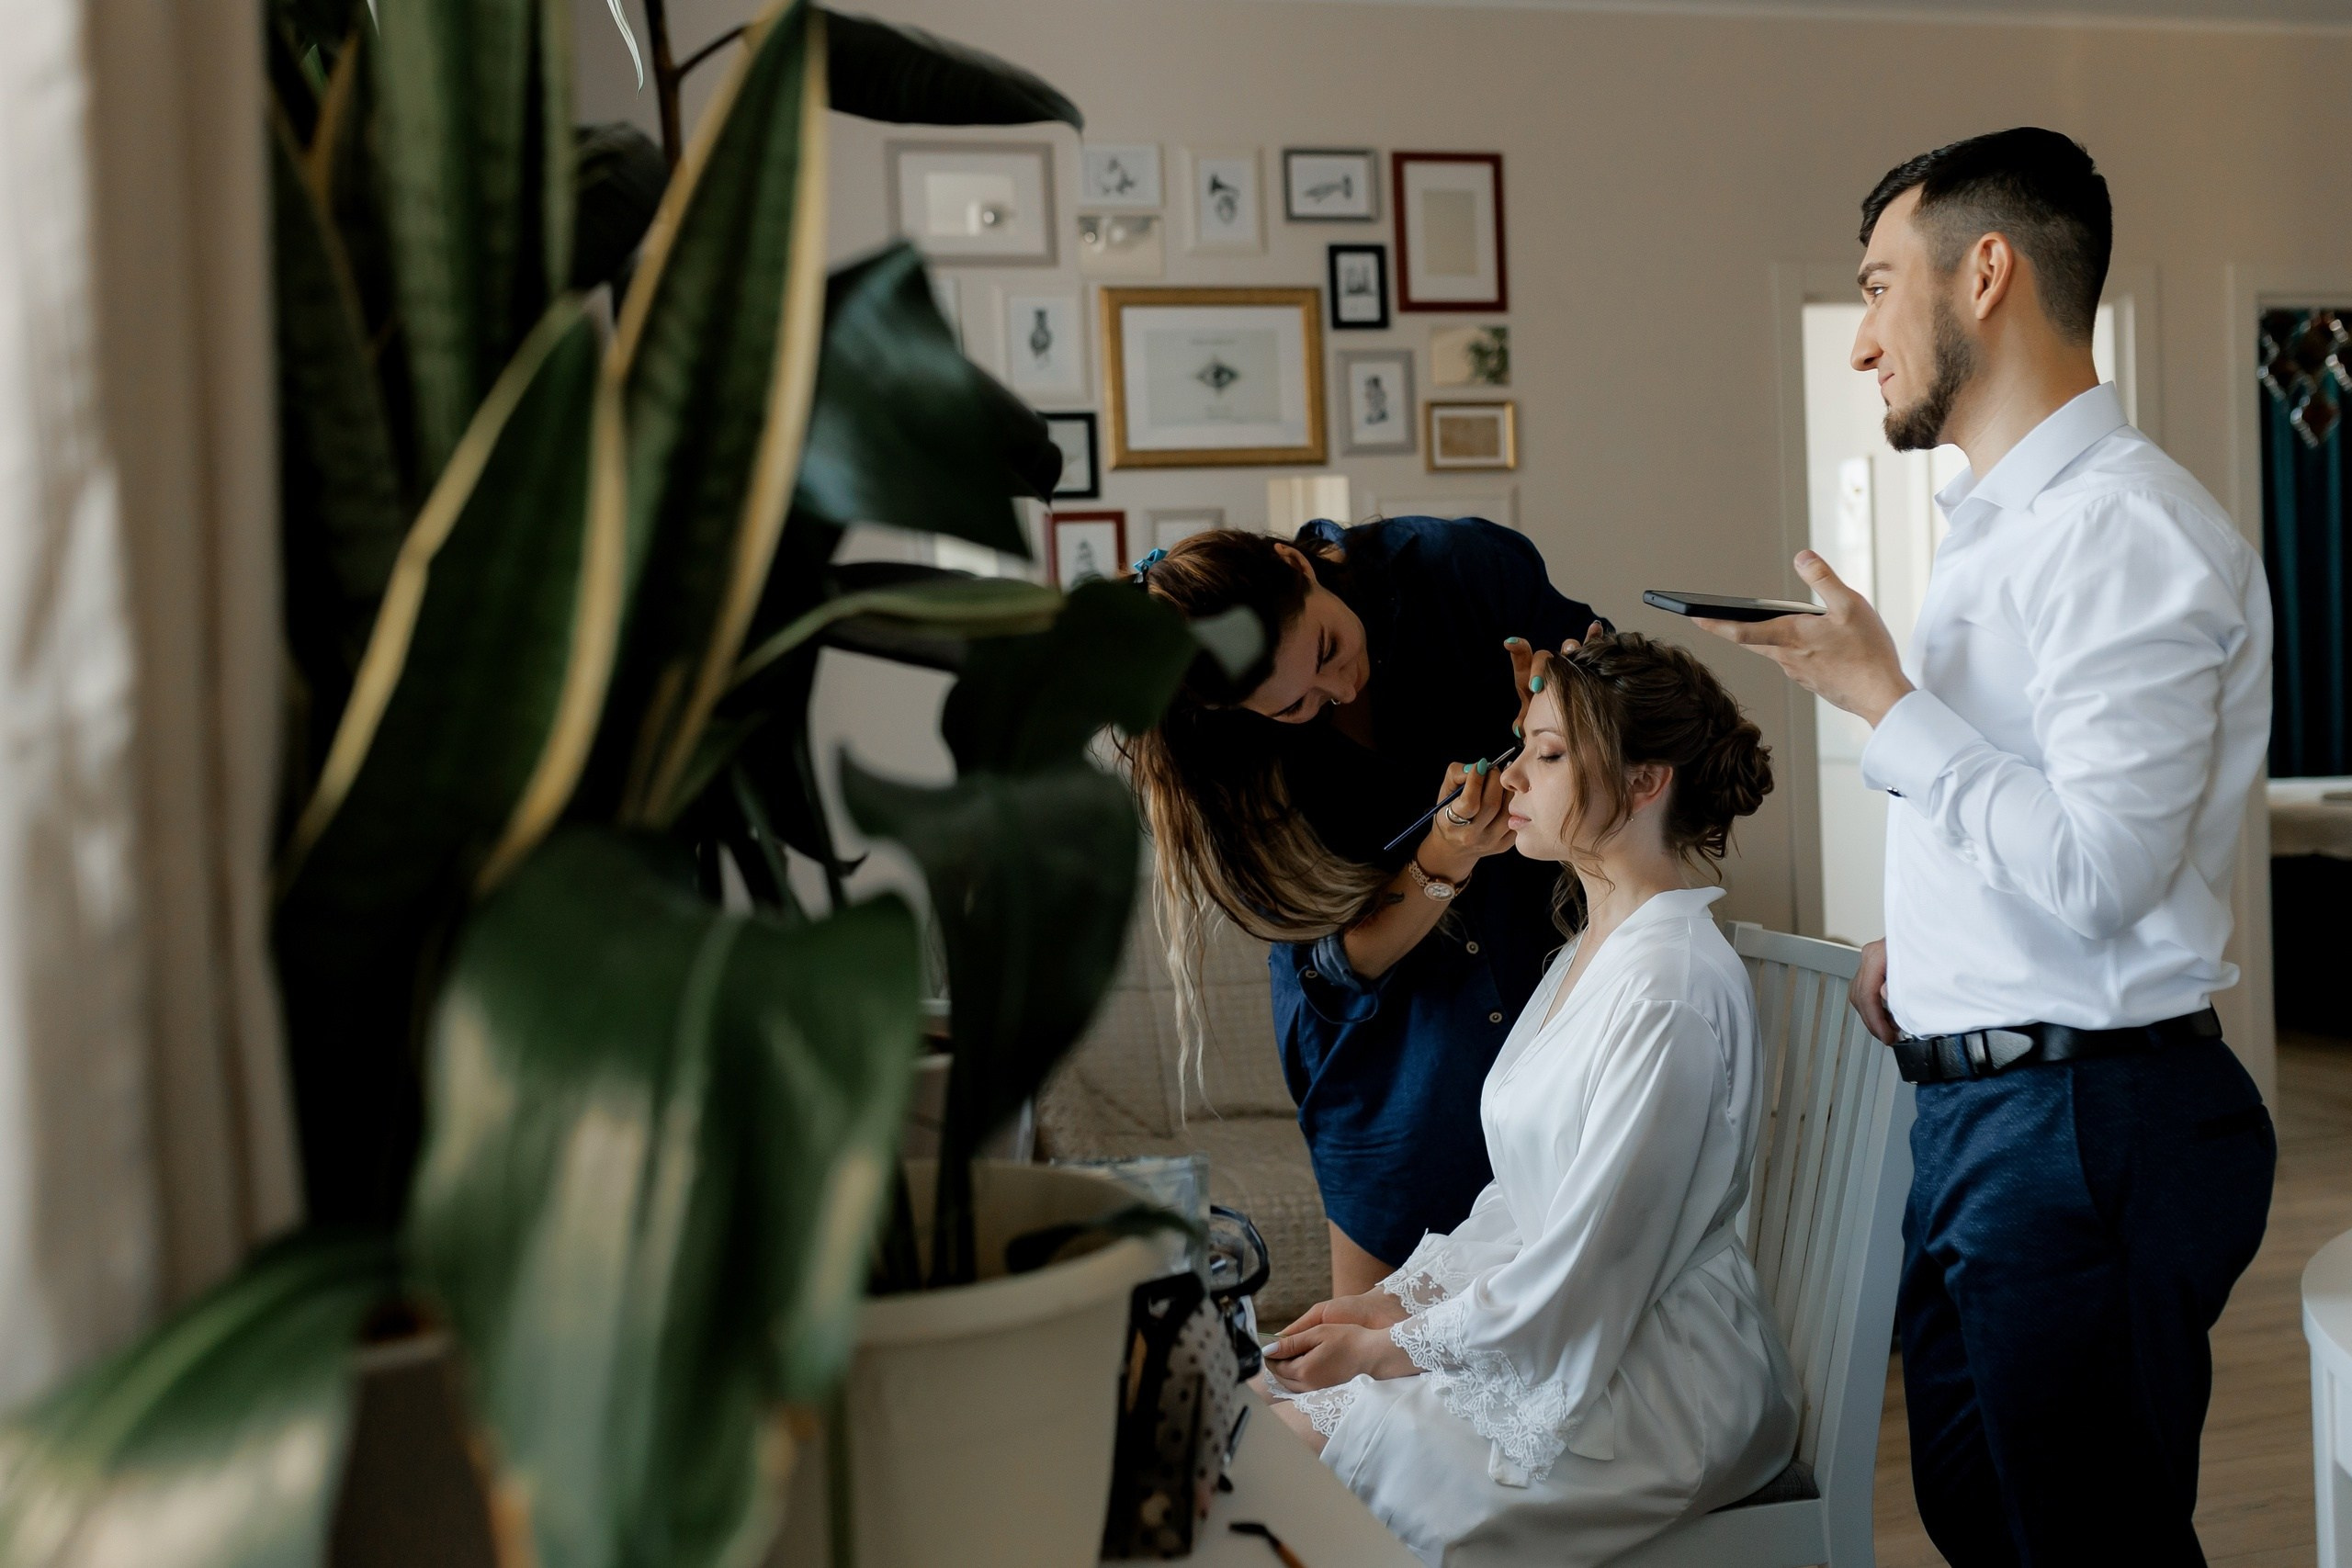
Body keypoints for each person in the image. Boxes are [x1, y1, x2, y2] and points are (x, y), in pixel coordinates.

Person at [1700, 128, 2275, 1565]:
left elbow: (2102, 869)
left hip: (2088, 1127)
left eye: (1881, 284)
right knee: (1985, 1517)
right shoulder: (2005, 530)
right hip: (1987, 1115)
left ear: (1988, 272)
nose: (1862, 340)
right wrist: (1936, 949)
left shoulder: (2124, 532)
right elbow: (2036, 827)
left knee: (2090, 1543)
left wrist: (1880, 696)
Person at [1256, 630, 1798, 1568]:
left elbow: (1587, 1263)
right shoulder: (1583, 956)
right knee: (1261, 1404)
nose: (1509, 781)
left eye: (1546, 755)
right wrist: (1392, 1309)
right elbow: (1523, 1201)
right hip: (1578, 1328)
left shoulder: (1665, 989)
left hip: (1653, 1383)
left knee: (1281, 1450)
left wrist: (1396, 1351)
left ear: (1641, 784)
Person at [1125, 519, 1602, 1296]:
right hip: (1389, 1056)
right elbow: (1342, 964)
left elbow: (1622, 703)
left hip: (1545, 979)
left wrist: (1569, 711)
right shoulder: (1226, 757)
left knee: (1563, 1326)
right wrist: (1441, 861)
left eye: (1327, 651)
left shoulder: (1455, 570)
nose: (1340, 690)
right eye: (1293, 708)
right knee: (1374, 1368)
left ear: (1293, 565)